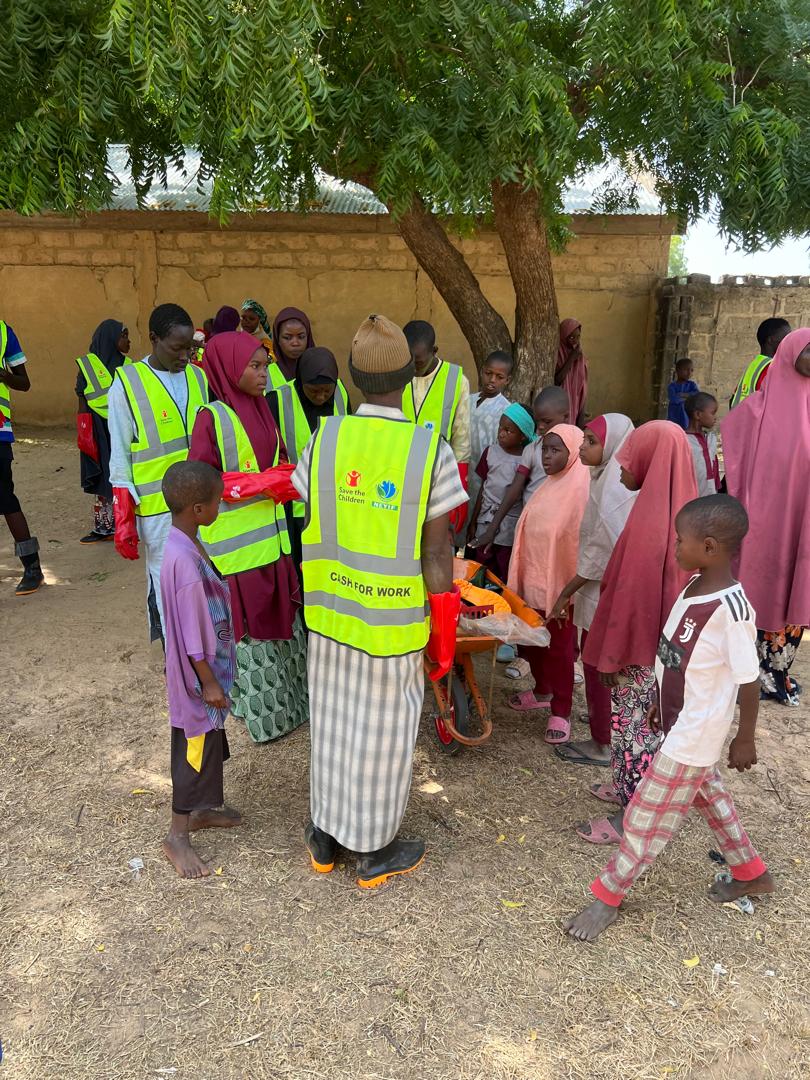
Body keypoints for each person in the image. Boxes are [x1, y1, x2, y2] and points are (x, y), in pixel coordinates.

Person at [291, 314, 465, 888]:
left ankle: (324, 837)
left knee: (334, 724)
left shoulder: (325, 438)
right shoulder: (428, 451)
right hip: (391, 623)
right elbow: (437, 556)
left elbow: (307, 504)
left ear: (356, 373)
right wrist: (444, 632)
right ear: (410, 371)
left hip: (331, 613)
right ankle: (372, 851)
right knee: (383, 735)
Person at [565, 495, 773, 942]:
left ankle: (608, 896)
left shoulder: (733, 611)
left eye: (682, 541)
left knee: (643, 816)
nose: (675, 547)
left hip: (695, 733)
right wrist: (661, 697)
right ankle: (751, 872)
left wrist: (745, 737)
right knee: (713, 802)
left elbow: (749, 679)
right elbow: (676, 655)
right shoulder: (693, 587)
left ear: (711, 547)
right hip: (676, 722)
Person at [579, 421, 698, 843]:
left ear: (651, 458)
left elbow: (633, 603)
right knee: (634, 730)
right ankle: (627, 788)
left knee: (638, 733)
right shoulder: (679, 515)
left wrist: (612, 656)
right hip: (660, 658)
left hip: (640, 658)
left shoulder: (652, 527)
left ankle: (632, 816)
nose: (623, 465)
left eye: (630, 455)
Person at [190, 332, 309, 743]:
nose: (264, 374)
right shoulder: (212, 416)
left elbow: (270, 464)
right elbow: (199, 481)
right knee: (254, 634)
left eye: (265, 366)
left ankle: (295, 705)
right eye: (255, 367)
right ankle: (264, 717)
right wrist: (248, 484)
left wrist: (278, 479)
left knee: (282, 625)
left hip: (273, 542)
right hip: (239, 554)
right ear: (227, 367)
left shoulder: (263, 409)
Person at [159, 460, 242, 880]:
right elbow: (193, 636)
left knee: (212, 741)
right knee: (195, 750)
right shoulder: (186, 565)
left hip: (205, 674)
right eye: (216, 501)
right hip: (197, 682)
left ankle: (205, 810)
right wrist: (208, 682)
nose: (220, 505)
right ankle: (178, 835)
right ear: (197, 509)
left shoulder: (182, 542)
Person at [109, 303, 209, 640]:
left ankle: (203, 649)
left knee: (201, 577)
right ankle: (177, 653)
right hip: (157, 509)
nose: (185, 356)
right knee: (168, 582)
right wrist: (123, 510)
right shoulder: (127, 383)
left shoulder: (198, 377)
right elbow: (119, 453)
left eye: (190, 348)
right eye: (177, 348)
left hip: (201, 503)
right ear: (153, 339)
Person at [722, 327, 810, 707]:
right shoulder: (757, 409)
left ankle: (777, 672)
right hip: (765, 523)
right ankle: (746, 671)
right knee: (757, 586)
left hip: (801, 524)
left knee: (795, 585)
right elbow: (735, 458)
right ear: (790, 353)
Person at [547, 415, 636, 767]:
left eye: (591, 442)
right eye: (583, 440)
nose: (582, 448)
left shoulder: (614, 488)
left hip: (606, 592)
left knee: (598, 662)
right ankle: (605, 726)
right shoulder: (602, 478)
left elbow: (600, 556)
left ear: (612, 445)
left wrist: (563, 593)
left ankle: (602, 743)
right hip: (602, 590)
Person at [505, 425, 590, 740]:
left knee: (558, 649)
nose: (547, 457)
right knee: (531, 641)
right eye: (544, 449)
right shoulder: (548, 486)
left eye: (555, 450)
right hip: (533, 582)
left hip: (559, 589)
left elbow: (575, 547)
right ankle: (541, 692)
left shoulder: (580, 491)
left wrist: (566, 596)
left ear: (572, 452)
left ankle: (561, 710)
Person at [267, 346, 351, 572]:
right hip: (294, 508)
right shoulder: (277, 399)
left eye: (326, 391)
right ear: (301, 380)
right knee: (300, 570)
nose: (321, 396)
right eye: (313, 391)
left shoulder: (341, 393)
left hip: (335, 505)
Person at [476, 386, 570, 554]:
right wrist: (491, 529)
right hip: (532, 522)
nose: (540, 427)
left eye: (546, 421)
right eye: (537, 421)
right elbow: (515, 489)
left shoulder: (576, 449)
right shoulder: (532, 450)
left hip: (561, 525)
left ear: (566, 417)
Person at [402, 320, 470, 531]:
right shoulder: (396, 375)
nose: (412, 367)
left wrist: (458, 489)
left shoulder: (457, 381)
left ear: (435, 351)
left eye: (418, 362)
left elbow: (462, 439)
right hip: (400, 476)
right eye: (408, 361)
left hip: (437, 479)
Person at [75, 319, 132, 544]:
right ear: (111, 338)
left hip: (122, 427)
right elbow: (81, 399)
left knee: (124, 472)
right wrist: (84, 431)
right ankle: (104, 526)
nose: (128, 341)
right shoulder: (88, 365)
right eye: (124, 336)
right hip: (98, 430)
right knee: (102, 475)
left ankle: (127, 523)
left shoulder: (129, 364)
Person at [465, 403, 536, 582]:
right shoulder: (490, 452)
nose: (501, 433)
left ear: (522, 436)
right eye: (500, 427)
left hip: (509, 523)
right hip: (485, 518)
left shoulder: (527, 458)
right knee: (481, 565)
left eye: (508, 430)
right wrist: (473, 521)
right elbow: (483, 488)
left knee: (503, 570)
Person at [0, 319, 43, 595]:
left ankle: (32, 566)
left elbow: (24, 382)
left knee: (5, 497)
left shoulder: (3, 332)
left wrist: (2, 375)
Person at [467, 350, 513, 517]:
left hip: (483, 476)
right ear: (482, 371)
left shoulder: (506, 410)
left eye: (499, 377)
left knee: (475, 518)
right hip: (460, 471)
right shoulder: (467, 400)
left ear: (507, 380)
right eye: (488, 373)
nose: (492, 380)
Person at [729, 317, 791, 409]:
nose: (789, 341)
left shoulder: (755, 364)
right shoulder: (772, 367)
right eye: (786, 337)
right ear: (770, 340)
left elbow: (734, 399)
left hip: (741, 419)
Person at [268, 306, 315, 389]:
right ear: (277, 339)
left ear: (308, 337)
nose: (295, 343)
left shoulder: (321, 370)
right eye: (287, 338)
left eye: (301, 337)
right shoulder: (264, 375)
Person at [684, 392, 720, 497]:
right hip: (690, 499)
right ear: (698, 415)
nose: (715, 418)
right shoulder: (684, 442)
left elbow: (715, 468)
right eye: (713, 413)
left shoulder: (711, 439)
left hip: (711, 497)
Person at [555, 318, 588, 427]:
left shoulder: (580, 356)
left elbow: (582, 385)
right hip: (561, 404)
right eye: (571, 337)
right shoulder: (558, 353)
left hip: (577, 404)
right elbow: (558, 379)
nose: (575, 341)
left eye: (578, 336)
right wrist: (571, 358)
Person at [666, 357, 699, 429]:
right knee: (673, 430)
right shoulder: (672, 386)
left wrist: (684, 395)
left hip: (687, 416)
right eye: (686, 370)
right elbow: (674, 399)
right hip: (674, 415)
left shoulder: (692, 384)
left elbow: (697, 394)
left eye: (691, 370)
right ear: (677, 371)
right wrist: (689, 398)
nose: (689, 373)